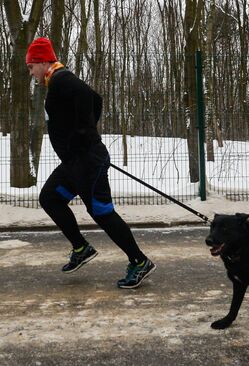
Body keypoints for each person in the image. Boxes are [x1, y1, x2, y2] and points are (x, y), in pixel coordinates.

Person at [26, 37, 156, 289]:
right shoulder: (56, 82)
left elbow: (90, 97)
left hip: (87, 162)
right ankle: (81, 248)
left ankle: (139, 262)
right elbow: (95, 100)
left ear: (42, 62)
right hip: (75, 164)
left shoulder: (62, 79)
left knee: (102, 212)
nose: (31, 72)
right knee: (50, 198)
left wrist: (84, 135)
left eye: (31, 66)